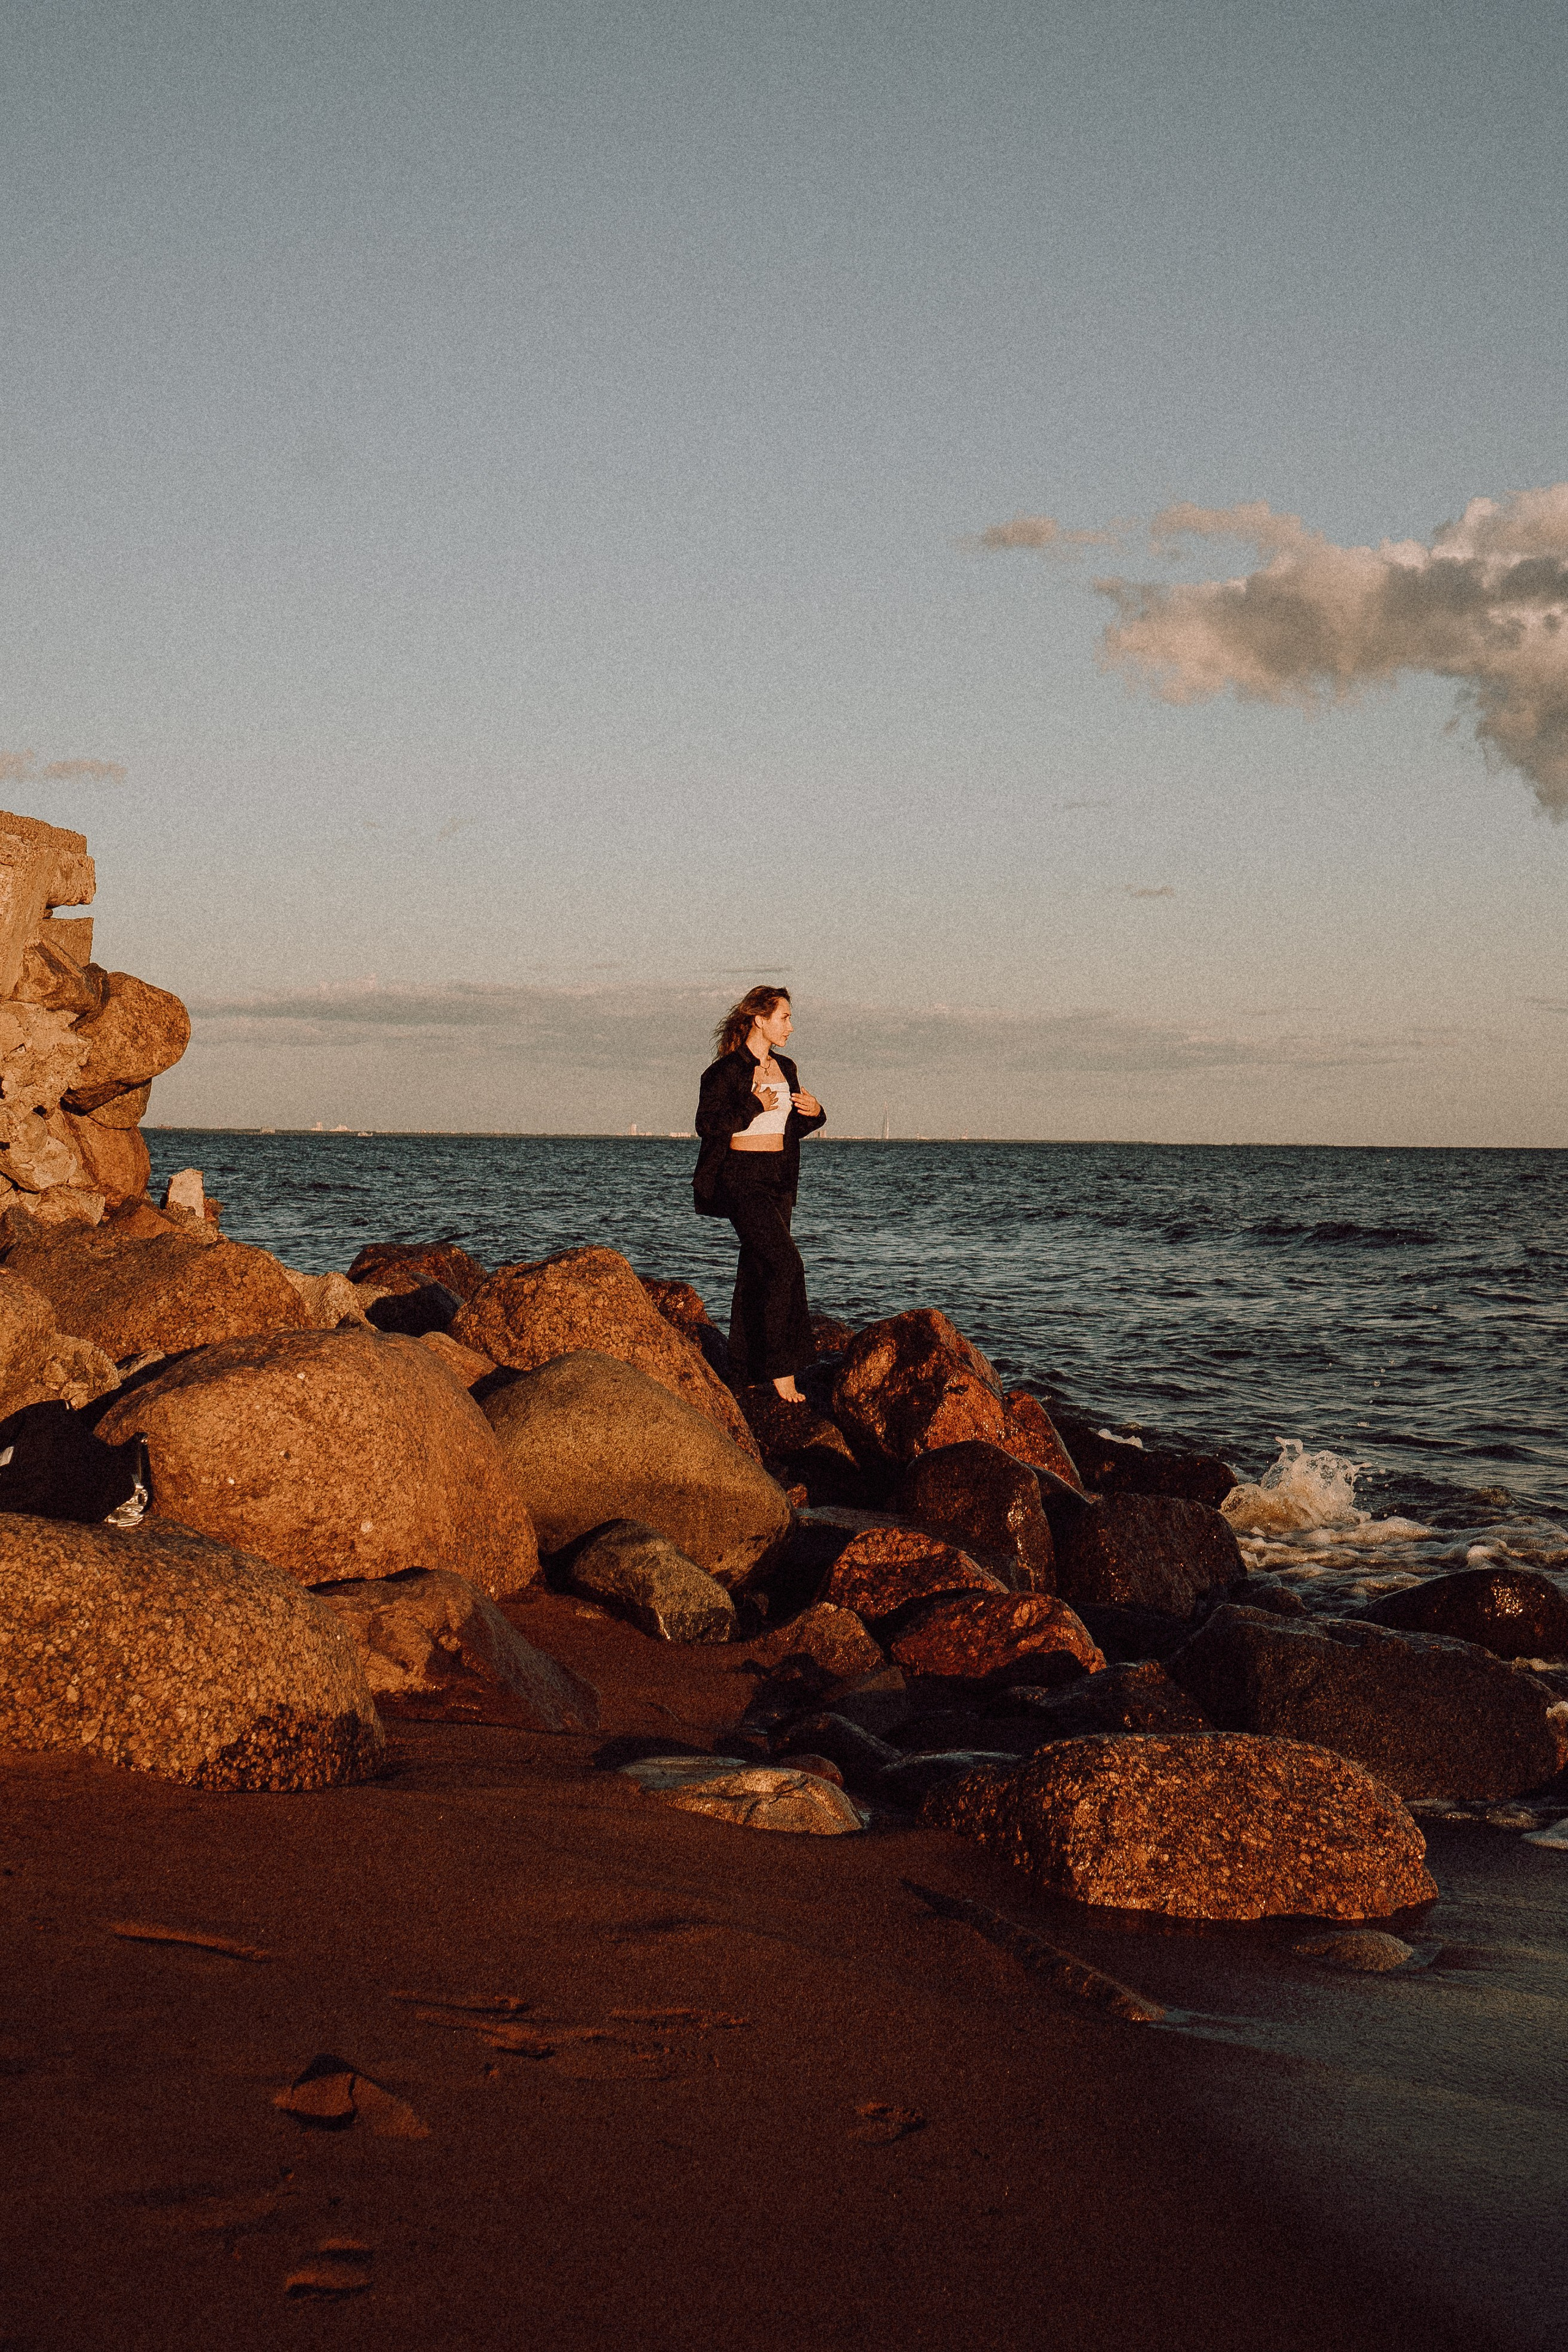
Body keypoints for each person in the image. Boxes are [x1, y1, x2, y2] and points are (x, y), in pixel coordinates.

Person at [693, 985, 825, 1401]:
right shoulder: (725, 1072)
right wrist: (754, 1105)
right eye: (784, 1017)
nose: (791, 1025)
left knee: (756, 1272)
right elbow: (707, 1125)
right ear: (760, 1020)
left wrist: (816, 1113)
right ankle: (781, 1370)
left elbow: (788, 1127)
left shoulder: (786, 1066)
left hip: (779, 1178)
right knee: (787, 1265)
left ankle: (744, 1369)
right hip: (741, 1178)